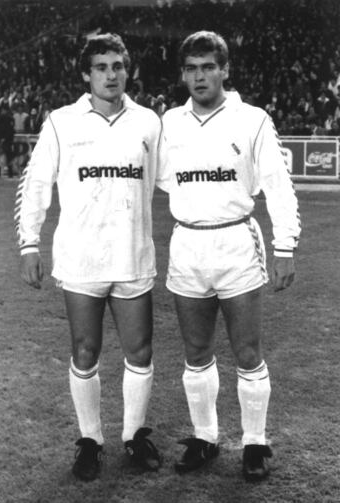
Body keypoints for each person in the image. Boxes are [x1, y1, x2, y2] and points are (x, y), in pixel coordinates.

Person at [14, 33, 162, 482]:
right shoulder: (62, 121)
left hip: (133, 255)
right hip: (81, 257)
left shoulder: (149, 122)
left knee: (139, 351)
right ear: (86, 74)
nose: (111, 74)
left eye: (117, 65)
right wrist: (29, 243)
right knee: (84, 350)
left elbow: (169, 179)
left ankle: (135, 435)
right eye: (101, 67)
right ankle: (90, 440)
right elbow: (36, 183)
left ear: (127, 70)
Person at [157, 31, 301, 481]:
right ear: (182, 74)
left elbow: (278, 186)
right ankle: (205, 436)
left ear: (224, 69)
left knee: (247, 351)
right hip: (188, 245)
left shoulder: (253, 119)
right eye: (191, 69)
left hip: (237, 242)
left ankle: (255, 443)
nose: (199, 77)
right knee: (196, 351)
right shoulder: (170, 123)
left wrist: (285, 247)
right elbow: (161, 181)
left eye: (207, 67)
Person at [0, 104, 14, 178]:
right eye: (2, 110)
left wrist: (5, 138)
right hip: (0, 141)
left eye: (4, 110)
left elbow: (11, 131)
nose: (3, 111)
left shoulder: (10, 119)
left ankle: (10, 173)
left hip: (7, 141)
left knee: (8, 156)